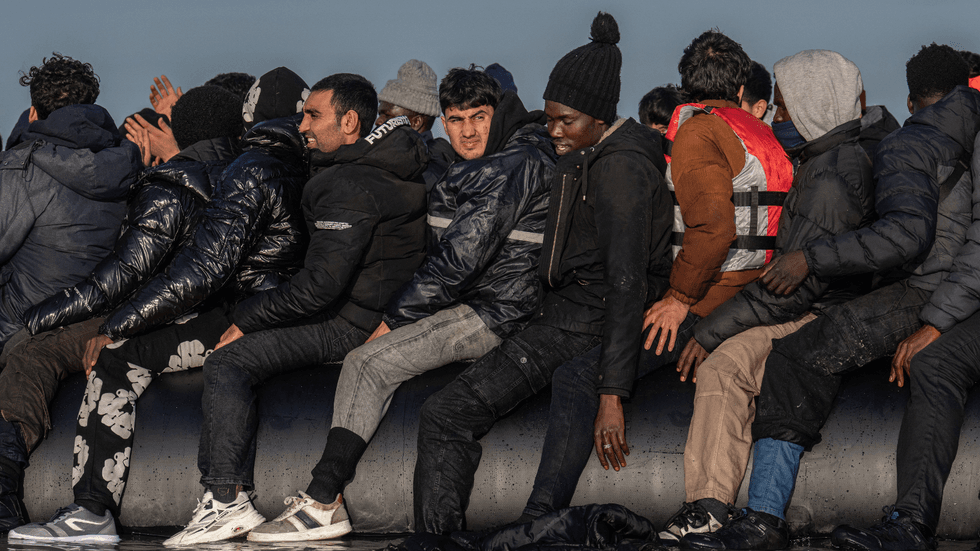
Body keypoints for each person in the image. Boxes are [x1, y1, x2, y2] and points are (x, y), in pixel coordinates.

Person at [682, 43, 980, 551]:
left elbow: (908, 237)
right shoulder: (905, 141)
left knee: (797, 359)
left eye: (782, 106)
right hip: (933, 288)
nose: (776, 117)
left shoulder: (879, 157)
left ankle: (765, 516)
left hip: (923, 289)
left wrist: (934, 320)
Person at [245, 65, 557, 543]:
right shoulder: (482, 157)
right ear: (440, 121)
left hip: (497, 310)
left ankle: (323, 501)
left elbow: (458, 259)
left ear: (498, 114)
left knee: (367, 363)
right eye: (455, 119)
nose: (467, 131)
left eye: (478, 117)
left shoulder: (510, 165)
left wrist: (394, 320)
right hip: (477, 296)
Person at [6, 69, 313, 544]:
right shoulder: (273, 166)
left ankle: (93, 509)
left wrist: (88, 324)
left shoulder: (178, 184)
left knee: (112, 359)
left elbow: (135, 277)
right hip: (258, 309)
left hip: (242, 316)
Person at [513, 28, 793, 525]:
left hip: (709, 301)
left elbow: (713, 227)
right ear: (739, 85)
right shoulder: (759, 133)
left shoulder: (699, 132)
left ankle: (539, 514)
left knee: (578, 376)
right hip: (755, 297)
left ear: (687, 85)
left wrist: (680, 298)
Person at [413, 12, 671, 534]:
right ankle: (530, 522)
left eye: (565, 120)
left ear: (599, 118)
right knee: (447, 413)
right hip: (564, 315)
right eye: (549, 118)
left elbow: (627, 286)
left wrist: (613, 393)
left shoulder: (619, 171)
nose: (552, 130)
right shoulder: (586, 154)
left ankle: (448, 538)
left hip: (580, 324)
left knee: (445, 415)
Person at [153, 72, 431, 546]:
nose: (301, 126)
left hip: (350, 323)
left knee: (227, 360)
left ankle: (225, 501)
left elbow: (320, 288)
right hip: (371, 311)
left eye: (313, 115)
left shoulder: (350, 182)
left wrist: (247, 318)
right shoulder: (387, 163)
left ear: (350, 122)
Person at [657, 50, 874, 544]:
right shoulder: (820, 163)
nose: (775, 118)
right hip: (804, 303)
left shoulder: (829, 183)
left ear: (812, 106)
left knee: (724, 366)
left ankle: (709, 504)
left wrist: (710, 327)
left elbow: (794, 286)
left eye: (783, 107)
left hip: (815, 311)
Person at [0, 53, 140, 352]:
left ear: (33, 113)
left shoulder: (21, 168)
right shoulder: (127, 162)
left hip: (19, 324)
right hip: (97, 318)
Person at [374, 59, 455, 191]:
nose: (378, 122)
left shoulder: (427, 175)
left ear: (416, 122)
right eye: (380, 114)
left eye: (387, 116)